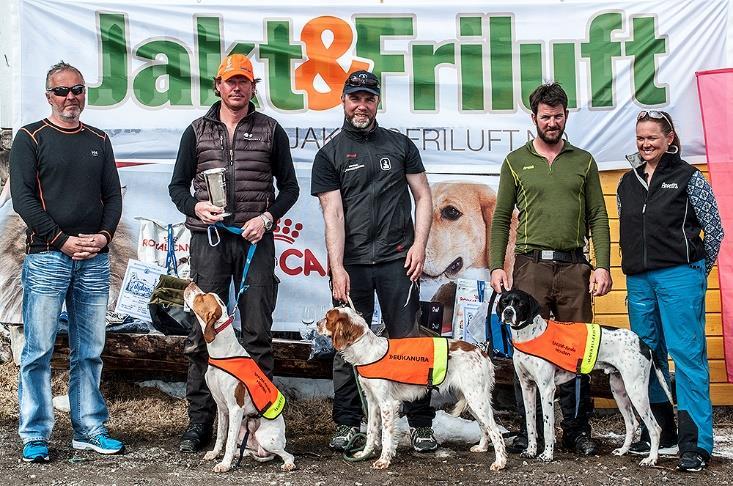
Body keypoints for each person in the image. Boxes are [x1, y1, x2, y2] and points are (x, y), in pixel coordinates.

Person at [169, 53, 299, 453]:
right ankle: (199, 424)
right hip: (209, 241)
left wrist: (267, 217)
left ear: (253, 87)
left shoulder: (271, 130)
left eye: (244, 81)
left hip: (255, 241)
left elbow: (290, 189)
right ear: (218, 86)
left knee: (257, 331)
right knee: (201, 333)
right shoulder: (196, 131)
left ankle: (260, 423)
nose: (237, 88)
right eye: (230, 81)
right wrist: (196, 208)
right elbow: (177, 188)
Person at [311, 70, 437, 452]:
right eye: (355, 98)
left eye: (368, 98)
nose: (361, 105)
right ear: (344, 101)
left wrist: (419, 245)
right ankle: (349, 423)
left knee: (409, 340)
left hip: (398, 260)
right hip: (352, 266)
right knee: (344, 342)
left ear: (377, 102)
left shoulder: (399, 145)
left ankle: (419, 424)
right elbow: (332, 214)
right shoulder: (329, 154)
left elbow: (424, 197)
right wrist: (337, 268)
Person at [10, 61, 124, 462]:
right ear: (48, 96)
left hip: (94, 259)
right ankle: (36, 434)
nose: (70, 97)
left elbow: (113, 197)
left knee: (90, 350)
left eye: (77, 89)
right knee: (38, 351)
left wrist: (104, 236)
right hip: (46, 259)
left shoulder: (99, 139)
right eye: (61, 91)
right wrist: (61, 241)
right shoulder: (30, 137)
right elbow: (22, 199)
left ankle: (89, 428)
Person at [489, 82, 612, 455]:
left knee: (577, 351)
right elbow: (499, 218)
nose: (552, 122)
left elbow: (598, 216)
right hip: (530, 267)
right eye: (546, 116)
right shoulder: (515, 161)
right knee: (526, 349)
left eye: (558, 116)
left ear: (566, 116)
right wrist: (497, 265)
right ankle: (531, 434)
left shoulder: (584, 161)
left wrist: (602, 266)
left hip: (575, 268)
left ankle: (577, 430)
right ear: (534, 118)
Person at [617, 110, 723, 472]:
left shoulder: (689, 178)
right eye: (640, 138)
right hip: (639, 280)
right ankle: (661, 431)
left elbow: (715, 231)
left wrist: (696, 273)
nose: (646, 144)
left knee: (688, 356)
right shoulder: (626, 183)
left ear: (669, 138)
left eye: (653, 138)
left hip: (680, 276)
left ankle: (696, 443)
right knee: (646, 356)